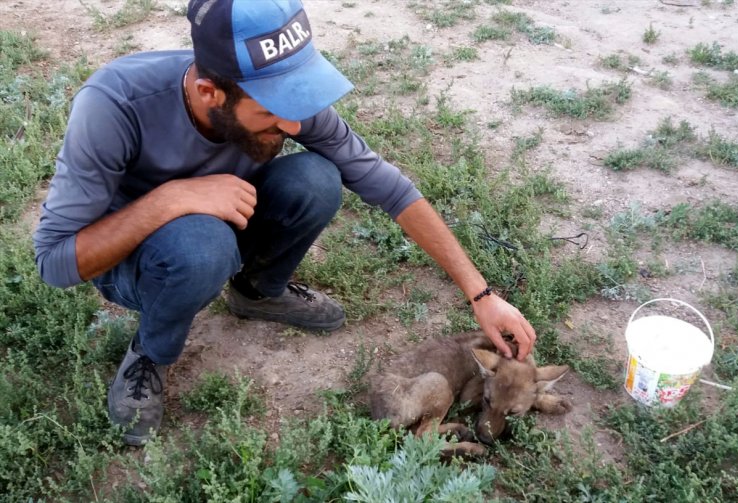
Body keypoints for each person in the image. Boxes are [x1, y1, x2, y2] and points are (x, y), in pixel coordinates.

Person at [33, 0, 537, 446]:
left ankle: (257, 291)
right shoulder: (114, 105)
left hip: (224, 222)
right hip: (140, 257)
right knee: (201, 245)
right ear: (211, 92)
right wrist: (170, 199)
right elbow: (55, 261)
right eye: (276, 109)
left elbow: (384, 182)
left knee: (317, 177)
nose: (295, 125)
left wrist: (480, 293)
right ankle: (150, 350)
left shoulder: (282, 105)